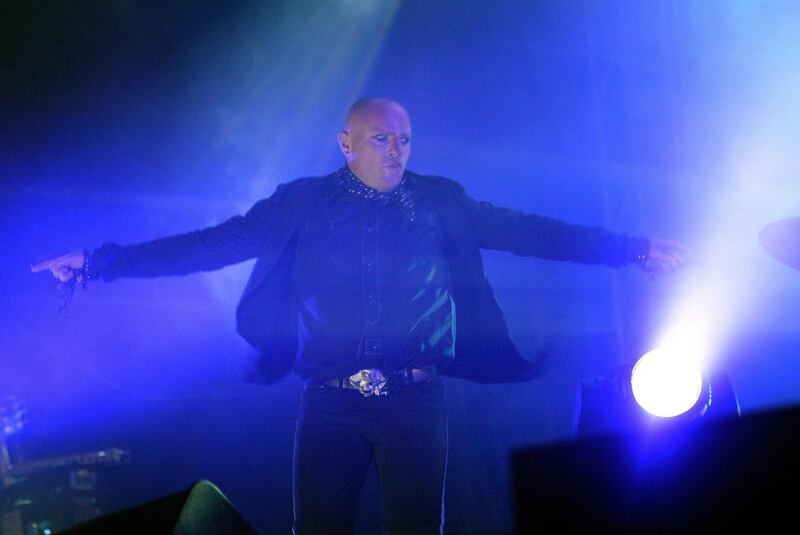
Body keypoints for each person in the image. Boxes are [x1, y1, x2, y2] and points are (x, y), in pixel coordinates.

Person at [32, 97, 689, 534]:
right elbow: (211, 244)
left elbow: (530, 231)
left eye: (404, 140)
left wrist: (631, 249)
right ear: (346, 142)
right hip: (331, 405)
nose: (396, 151)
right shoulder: (302, 203)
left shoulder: (440, 200)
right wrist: (98, 262)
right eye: (381, 139)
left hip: (416, 400)